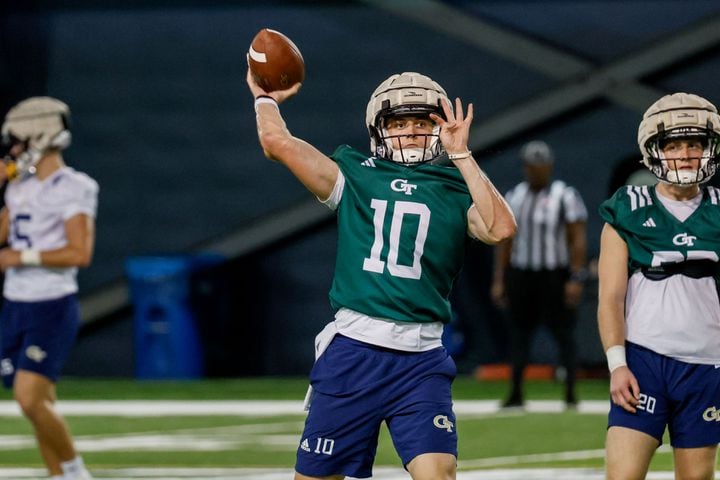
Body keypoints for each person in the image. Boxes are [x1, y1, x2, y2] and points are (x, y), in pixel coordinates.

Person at [247, 68, 516, 480]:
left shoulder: (457, 186)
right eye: (399, 122)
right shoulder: (354, 173)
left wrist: (462, 155)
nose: (410, 131)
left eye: (422, 122)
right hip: (355, 351)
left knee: (438, 474)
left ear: (439, 128)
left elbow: (500, 228)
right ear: (379, 129)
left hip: (421, 359)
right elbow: (276, 143)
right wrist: (265, 98)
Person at [597, 92, 720, 480]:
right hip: (645, 359)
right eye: (674, 144)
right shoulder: (627, 207)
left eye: (694, 144)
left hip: (707, 363)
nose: (685, 154)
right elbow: (610, 298)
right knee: (623, 475)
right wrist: (618, 365)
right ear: (655, 151)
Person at [0, 97, 98, 480]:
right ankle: (58, 476)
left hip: (50, 304)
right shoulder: (19, 186)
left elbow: (79, 252)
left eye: (18, 141)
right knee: (37, 403)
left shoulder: (74, 186)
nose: (13, 149)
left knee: (28, 398)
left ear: (38, 136)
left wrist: (18, 257)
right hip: (15, 305)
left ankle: (75, 472)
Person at [490, 140, 588, 408]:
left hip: (554, 274)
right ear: (525, 167)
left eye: (540, 165)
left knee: (563, 334)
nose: (536, 171)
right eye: (531, 166)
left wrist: (576, 277)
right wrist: (500, 279)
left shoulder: (564, 195)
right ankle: (516, 393)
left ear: (550, 166)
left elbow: (577, 238)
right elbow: (505, 241)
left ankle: (570, 394)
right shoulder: (514, 196)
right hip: (522, 275)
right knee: (519, 335)